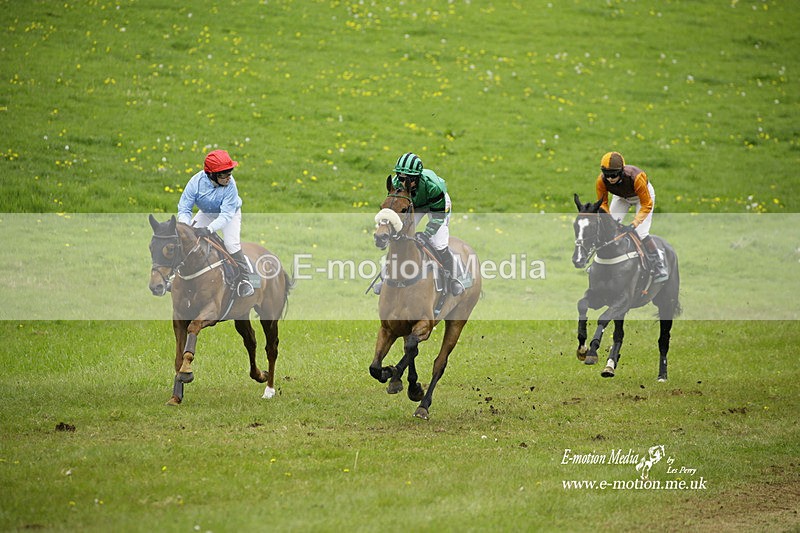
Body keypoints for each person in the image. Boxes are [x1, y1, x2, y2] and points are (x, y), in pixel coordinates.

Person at [377, 152, 464, 296]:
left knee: (439, 243)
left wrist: (426, 234)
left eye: (408, 179)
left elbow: (438, 217)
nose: (403, 182)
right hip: (414, 204)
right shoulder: (396, 184)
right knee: (399, 237)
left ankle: (453, 279)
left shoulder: (433, 187)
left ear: (417, 177)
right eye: (400, 177)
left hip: (436, 205)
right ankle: (386, 276)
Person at [177, 149, 254, 297]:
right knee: (186, 239)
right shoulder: (195, 183)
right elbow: (184, 209)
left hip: (230, 215)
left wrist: (209, 229)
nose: (228, 177)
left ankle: (245, 280)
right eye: (224, 174)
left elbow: (225, 215)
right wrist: (186, 226)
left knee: (231, 244)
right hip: (207, 213)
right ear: (211, 174)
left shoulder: (231, 185)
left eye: (229, 173)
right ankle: (176, 276)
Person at [595, 151, 668, 283]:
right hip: (621, 197)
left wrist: (634, 223)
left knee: (641, 232)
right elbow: (603, 203)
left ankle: (658, 264)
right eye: (607, 174)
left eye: (614, 175)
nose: (610, 178)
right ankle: (602, 263)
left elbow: (646, 204)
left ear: (621, 171)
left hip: (642, 198)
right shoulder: (601, 181)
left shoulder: (636, 177)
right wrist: (608, 220)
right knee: (608, 228)